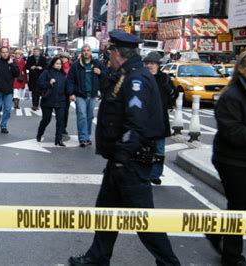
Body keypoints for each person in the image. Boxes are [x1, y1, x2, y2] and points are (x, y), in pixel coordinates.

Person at [69, 30, 180, 266]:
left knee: (143, 220)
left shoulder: (136, 79)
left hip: (130, 161)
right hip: (121, 161)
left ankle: (170, 263)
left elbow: (136, 123)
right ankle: (97, 258)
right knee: (106, 211)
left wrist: (122, 157)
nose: (108, 55)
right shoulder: (125, 74)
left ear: (117, 52)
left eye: (110, 50)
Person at [206, 49, 246, 266]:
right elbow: (233, 134)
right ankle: (232, 256)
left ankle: (216, 232)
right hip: (232, 160)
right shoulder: (230, 96)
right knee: (239, 206)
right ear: (241, 69)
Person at [143, 51, 177, 185]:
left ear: (158, 65)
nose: (150, 66)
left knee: (159, 148)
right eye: (148, 63)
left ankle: (156, 174)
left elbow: (173, 94)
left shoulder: (164, 78)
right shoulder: (142, 77)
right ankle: (145, 172)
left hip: (160, 117)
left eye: (152, 63)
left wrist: (170, 89)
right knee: (144, 147)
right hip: (145, 117)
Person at [67, 44, 102, 147]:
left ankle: (87, 136)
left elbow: (105, 75)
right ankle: (83, 138)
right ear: (81, 52)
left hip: (92, 94)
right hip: (80, 94)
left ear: (91, 52)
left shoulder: (97, 63)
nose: (86, 52)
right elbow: (70, 80)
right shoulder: (76, 65)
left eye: (88, 50)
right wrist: (71, 93)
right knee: (82, 115)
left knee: (89, 116)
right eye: (84, 50)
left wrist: (100, 72)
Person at [36, 57, 69, 146]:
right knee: (46, 119)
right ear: (53, 64)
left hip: (61, 100)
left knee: (60, 120)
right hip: (48, 100)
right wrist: (48, 83)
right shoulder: (47, 72)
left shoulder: (63, 74)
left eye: (60, 64)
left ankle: (58, 139)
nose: (59, 65)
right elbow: (39, 83)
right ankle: (40, 133)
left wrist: (70, 94)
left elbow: (67, 86)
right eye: (57, 63)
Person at [60, 52, 72, 135]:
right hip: (59, 91)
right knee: (60, 110)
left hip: (67, 91)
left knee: (65, 110)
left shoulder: (71, 67)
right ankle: (60, 127)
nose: (63, 59)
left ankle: (63, 127)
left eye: (65, 58)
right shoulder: (58, 66)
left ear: (68, 59)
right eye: (62, 57)